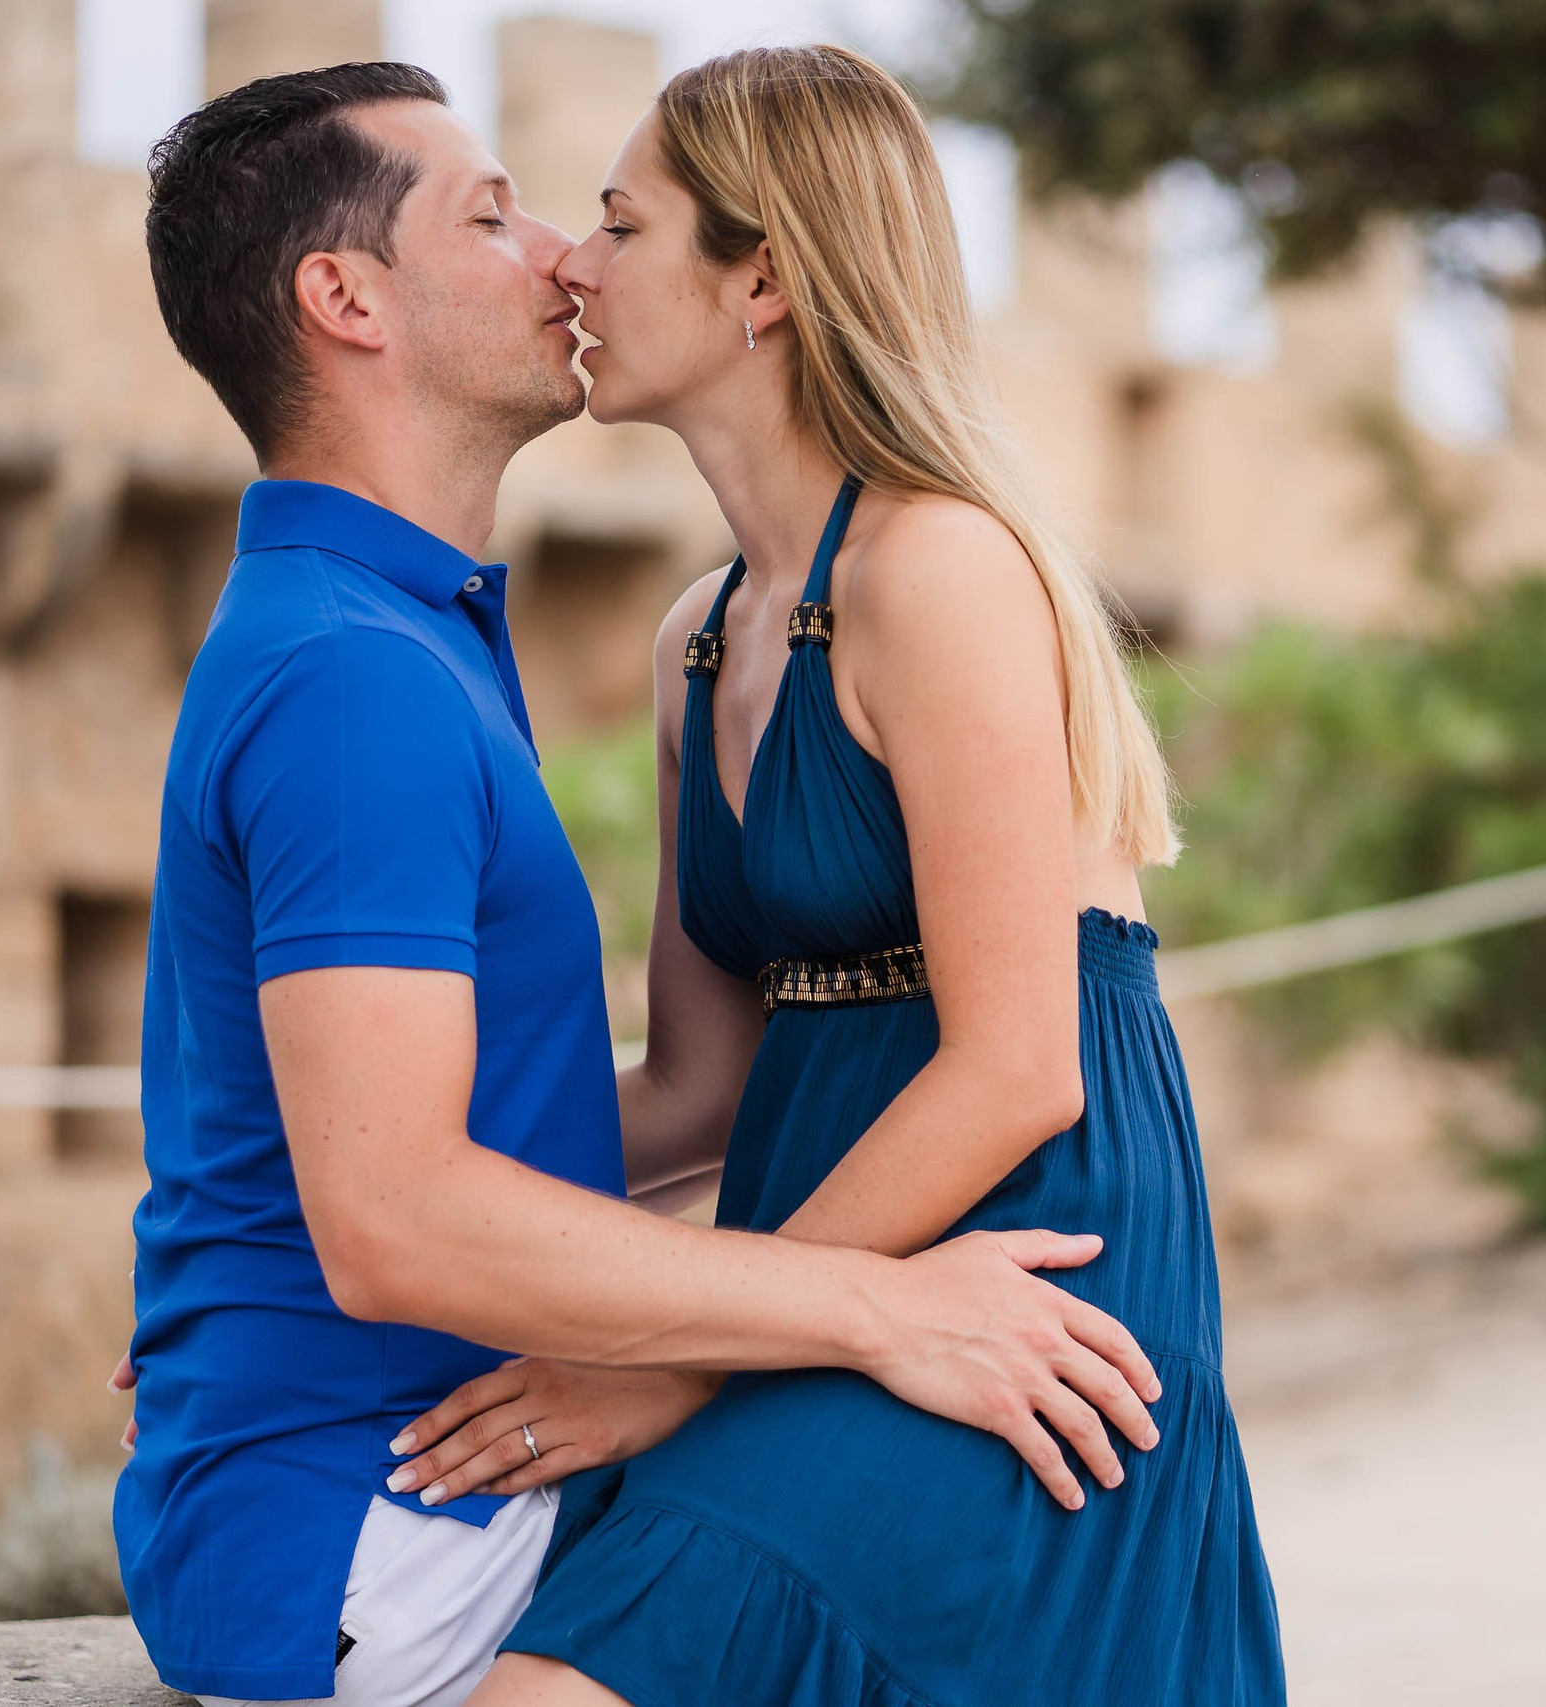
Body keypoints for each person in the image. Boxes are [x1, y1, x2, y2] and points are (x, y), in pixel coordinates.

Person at [116, 61, 1160, 1707]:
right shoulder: (357, 678)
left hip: (424, 1448)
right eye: (497, 216)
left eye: (603, 220)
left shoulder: (405, 636)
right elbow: (393, 1215)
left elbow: (688, 1096)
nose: (561, 257)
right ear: (346, 300)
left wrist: (264, 1265)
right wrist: (857, 1311)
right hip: (378, 1513)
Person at [401, 44, 1285, 1707]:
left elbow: (1020, 1070)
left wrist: (682, 1353)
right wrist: (343, 1217)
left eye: (622, 222)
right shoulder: (701, 640)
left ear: (766, 284)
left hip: (1029, 1275)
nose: (576, 264)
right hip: (821, 1269)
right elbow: (695, 1095)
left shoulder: (939, 570)